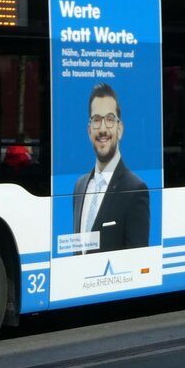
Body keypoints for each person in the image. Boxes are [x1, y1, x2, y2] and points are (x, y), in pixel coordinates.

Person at [72, 83, 150, 253]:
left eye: (109, 119)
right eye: (97, 120)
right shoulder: (79, 186)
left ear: (119, 129)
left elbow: (138, 258)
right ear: (89, 130)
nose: (102, 129)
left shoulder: (136, 189)